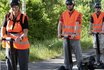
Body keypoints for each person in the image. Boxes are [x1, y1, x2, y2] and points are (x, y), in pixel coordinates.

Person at [1, 0, 30, 70]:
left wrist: (21, 37)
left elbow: (25, 31)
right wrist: (1, 37)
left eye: (16, 6)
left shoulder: (23, 17)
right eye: (13, 6)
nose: (15, 8)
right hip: (9, 44)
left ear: (19, 7)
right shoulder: (7, 16)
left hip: (22, 45)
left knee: (23, 66)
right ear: (11, 7)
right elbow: (3, 28)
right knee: (10, 66)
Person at [58, 0, 83, 70]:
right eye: (67, 5)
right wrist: (59, 33)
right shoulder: (63, 14)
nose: (69, 6)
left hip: (75, 38)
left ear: (73, 5)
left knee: (78, 55)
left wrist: (74, 33)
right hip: (66, 38)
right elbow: (60, 24)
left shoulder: (78, 14)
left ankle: (80, 67)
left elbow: (77, 24)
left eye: (70, 4)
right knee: (67, 56)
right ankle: (67, 68)